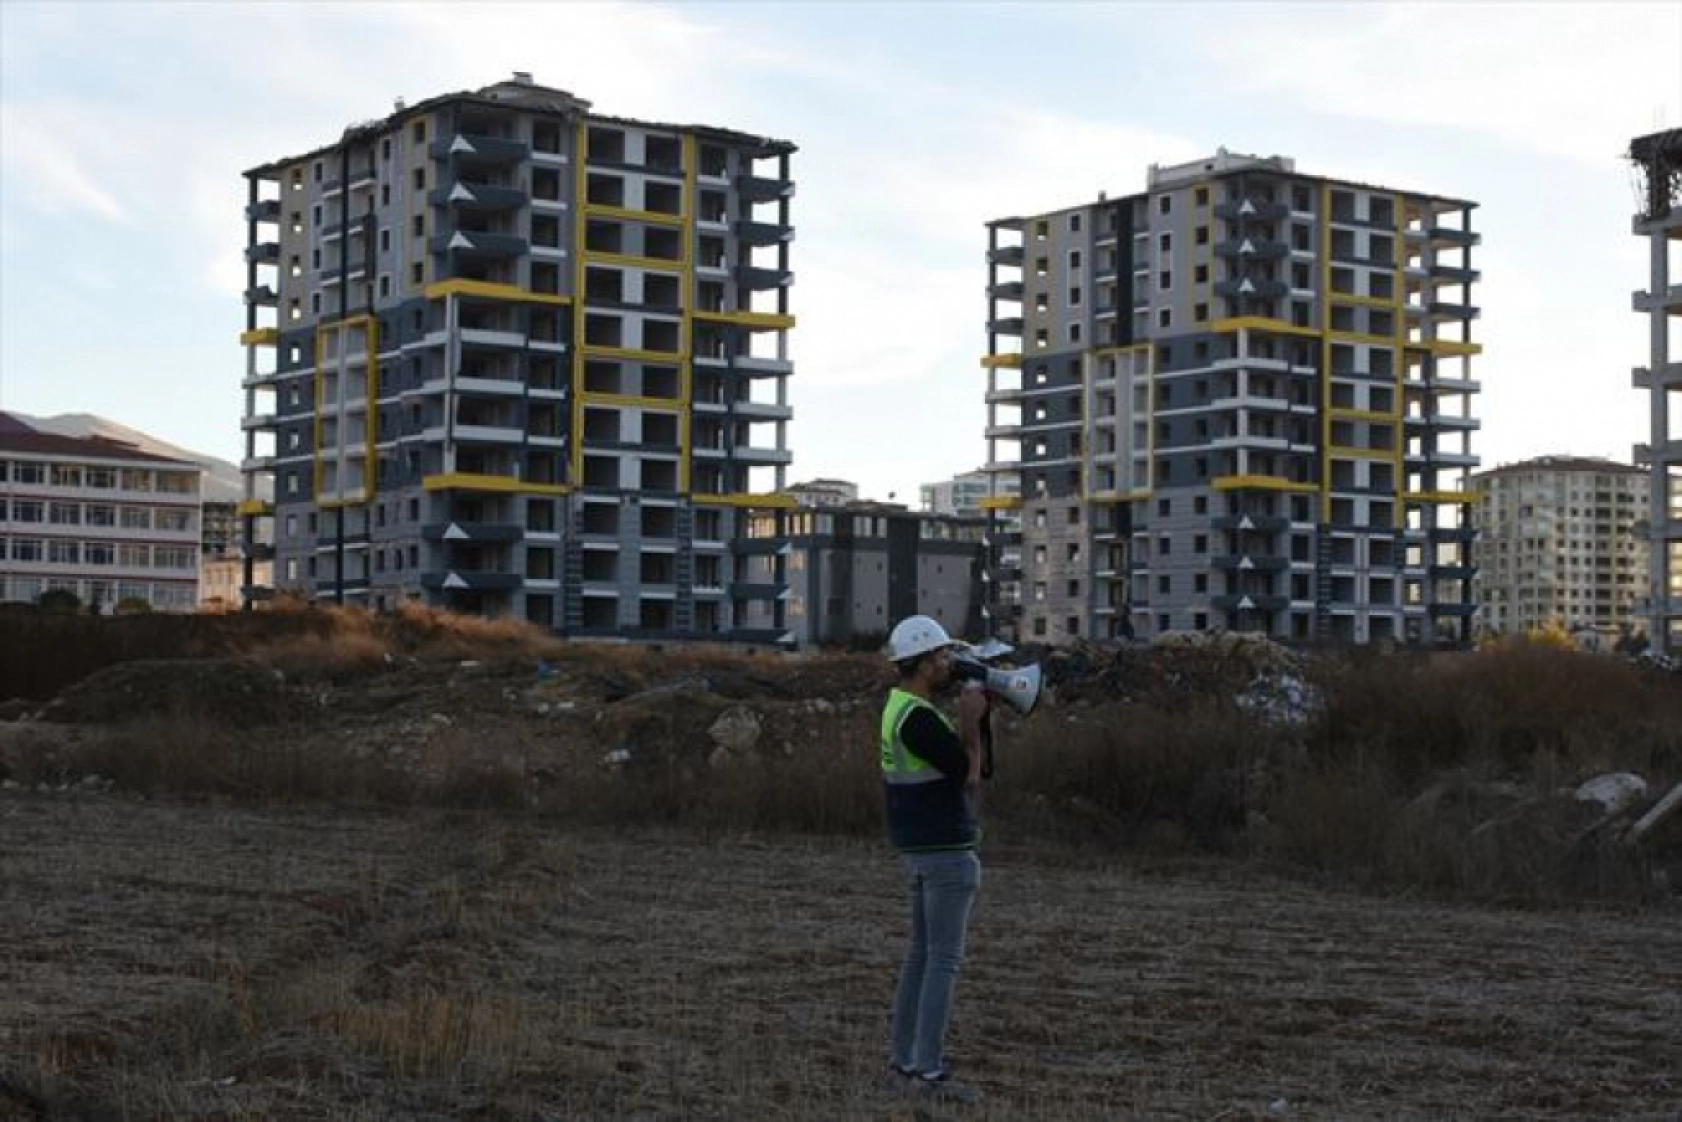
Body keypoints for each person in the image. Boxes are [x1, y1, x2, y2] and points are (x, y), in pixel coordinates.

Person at [878, 613, 989, 1106]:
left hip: (920, 848)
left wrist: (977, 724)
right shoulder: (920, 718)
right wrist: (972, 721)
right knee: (942, 962)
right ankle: (929, 1074)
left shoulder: (899, 708)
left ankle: (904, 1065)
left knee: (921, 959)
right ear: (922, 663)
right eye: (942, 656)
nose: (949, 663)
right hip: (944, 852)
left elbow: (975, 765)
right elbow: (969, 774)